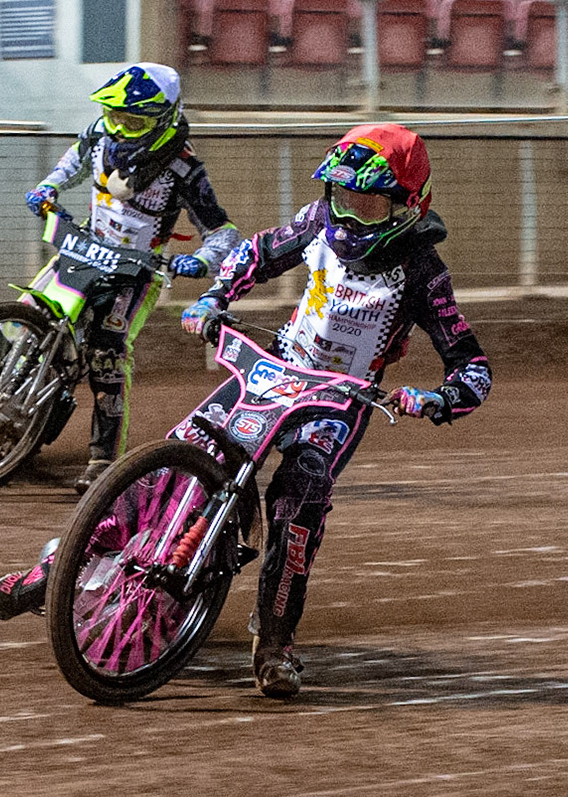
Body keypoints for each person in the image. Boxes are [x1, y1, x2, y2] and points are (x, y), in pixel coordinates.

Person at [177, 122, 492, 697]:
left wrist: (438, 398)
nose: (349, 217)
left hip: (341, 398)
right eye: (342, 198)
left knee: (301, 492)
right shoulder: (319, 220)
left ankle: (274, 638)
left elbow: (473, 367)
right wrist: (214, 296)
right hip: (277, 367)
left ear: (408, 207)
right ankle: (64, 565)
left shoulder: (424, 272)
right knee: (186, 448)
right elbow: (256, 252)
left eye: (369, 205)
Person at [0, 63, 238, 618]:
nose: (118, 126)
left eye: (130, 117)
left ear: (162, 119)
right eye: (113, 113)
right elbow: (75, 158)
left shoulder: (185, 169)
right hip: (85, 250)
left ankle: (103, 461)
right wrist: (50, 184)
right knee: (24, 315)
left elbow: (226, 234)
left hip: (138, 273)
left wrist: (199, 260)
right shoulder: (101, 134)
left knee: (106, 354)